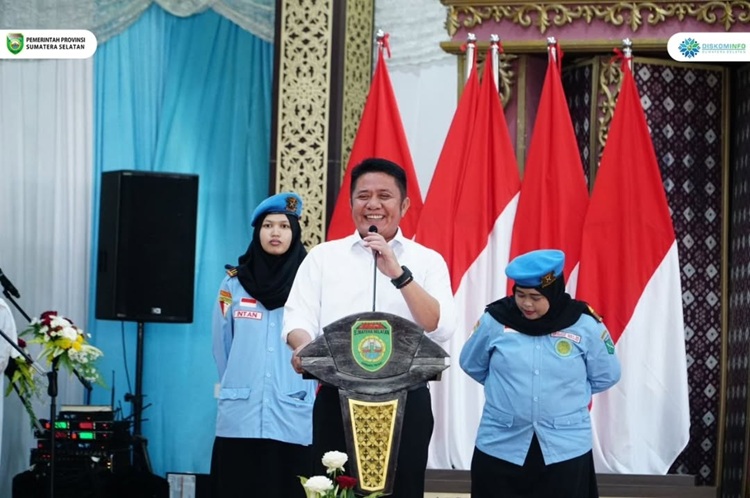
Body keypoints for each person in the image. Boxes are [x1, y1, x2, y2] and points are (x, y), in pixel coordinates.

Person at [283, 157, 456, 498]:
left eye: (384, 196)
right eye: (363, 196)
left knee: (403, 490)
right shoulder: (323, 257)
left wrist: (398, 274)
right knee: (333, 491)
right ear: (351, 204)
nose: (373, 204)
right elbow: (297, 318)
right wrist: (302, 345)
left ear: (404, 205)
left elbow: (439, 326)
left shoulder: (427, 260)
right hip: (337, 397)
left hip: (407, 400)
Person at [459, 249, 621, 498]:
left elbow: (607, 374)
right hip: (501, 443)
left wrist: (563, 395)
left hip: (564, 446)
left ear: (553, 291)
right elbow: (471, 363)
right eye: (520, 294)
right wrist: (509, 392)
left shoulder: (585, 324)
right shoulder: (496, 319)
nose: (526, 304)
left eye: (536, 297)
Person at [210, 192, 316, 498]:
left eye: (283, 226)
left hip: (292, 410)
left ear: (294, 233)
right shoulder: (233, 284)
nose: (275, 233)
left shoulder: (309, 285)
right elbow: (222, 345)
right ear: (258, 232)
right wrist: (238, 381)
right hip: (240, 414)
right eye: (268, 225)